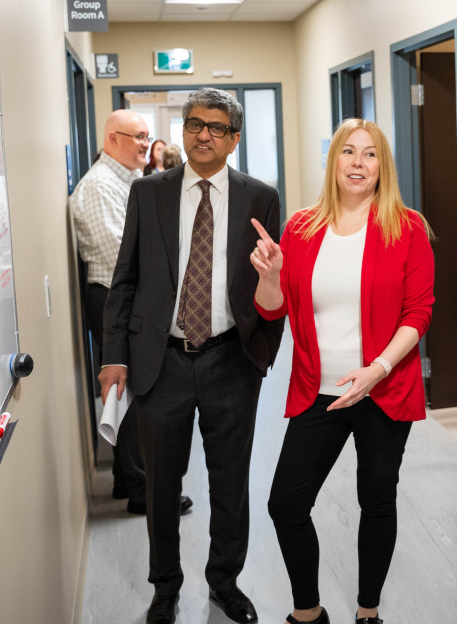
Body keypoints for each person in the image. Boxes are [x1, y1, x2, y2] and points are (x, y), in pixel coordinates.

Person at [100, 88, 284, 624]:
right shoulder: (149, 192)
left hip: (232, 360)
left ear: (234, 138)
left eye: (217, 127)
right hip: (161, 361)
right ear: (182, 129)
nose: (204, 134)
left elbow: (273, 282)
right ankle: (165, 586)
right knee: (161, 485)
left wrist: (260, 356)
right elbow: (125, 279)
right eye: (195, 124)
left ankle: (225, 581)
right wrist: (115, 355)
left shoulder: (260, 198)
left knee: (230, 482)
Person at [250, 118, 434, 624]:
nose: (358, 163)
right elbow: (272, 309)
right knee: (286, 504)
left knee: (376, 499)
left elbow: (418, 312)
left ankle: (368, 612)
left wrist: (376, 370)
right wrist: (269, 276)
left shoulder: (408, 227)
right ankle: (307, 612)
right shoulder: (301, 229)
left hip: (383, 389)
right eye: (348, 152)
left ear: (383, 166)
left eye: (370, 154)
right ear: (333, 161)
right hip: (318, 390)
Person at [71, 110, 196, 517]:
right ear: (112, 139)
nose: (145, 144)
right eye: (137, 137)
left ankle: (130, 479)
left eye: (148, 136)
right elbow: (121, 255)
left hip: (125, 297)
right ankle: (143, 488)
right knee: (129, 389)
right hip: (113, 299)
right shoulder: (99, 187)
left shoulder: (128, 182)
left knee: (126, 393)